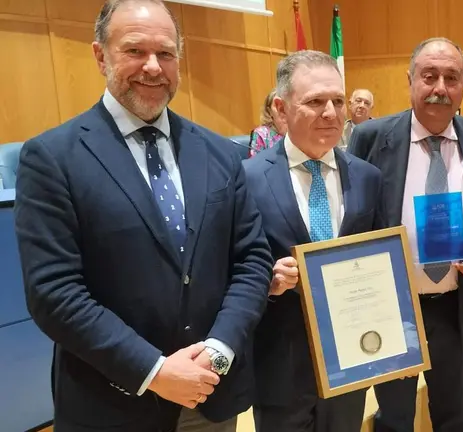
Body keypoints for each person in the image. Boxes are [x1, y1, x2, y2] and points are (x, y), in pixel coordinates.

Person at [13, 1, 273, 431]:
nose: (153, 67)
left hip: (210, 394)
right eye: (135, 50)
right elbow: (53, 292)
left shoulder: (219, 153)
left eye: (166, 53)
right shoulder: (52, 158)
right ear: (100, 55)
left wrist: (220, 349)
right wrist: (155, 371)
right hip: (113, 402)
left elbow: (252, 260)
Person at [348, 37, 463, 432]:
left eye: (451, 78)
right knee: (394, 418)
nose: (440, 88)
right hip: (393, 307)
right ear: (410, 80)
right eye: (429, 76)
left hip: (456, 305)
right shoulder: (370, 138)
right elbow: (352, 220)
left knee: (452, 416)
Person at [243, 50, 383, 432]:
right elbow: (230, 267)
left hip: (351, 358)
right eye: (315, 101)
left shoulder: (368, 178)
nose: (331, 113)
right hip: (280, 364)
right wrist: (268, 279)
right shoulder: (247, 179)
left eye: (337, 100)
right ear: (281, 109)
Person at [249, 88, 288, 156]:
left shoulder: (300, 130)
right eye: (277, 106)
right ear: (269, 111)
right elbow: (256, 161)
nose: (282, 110)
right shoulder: (262, 134)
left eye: (286, 105)